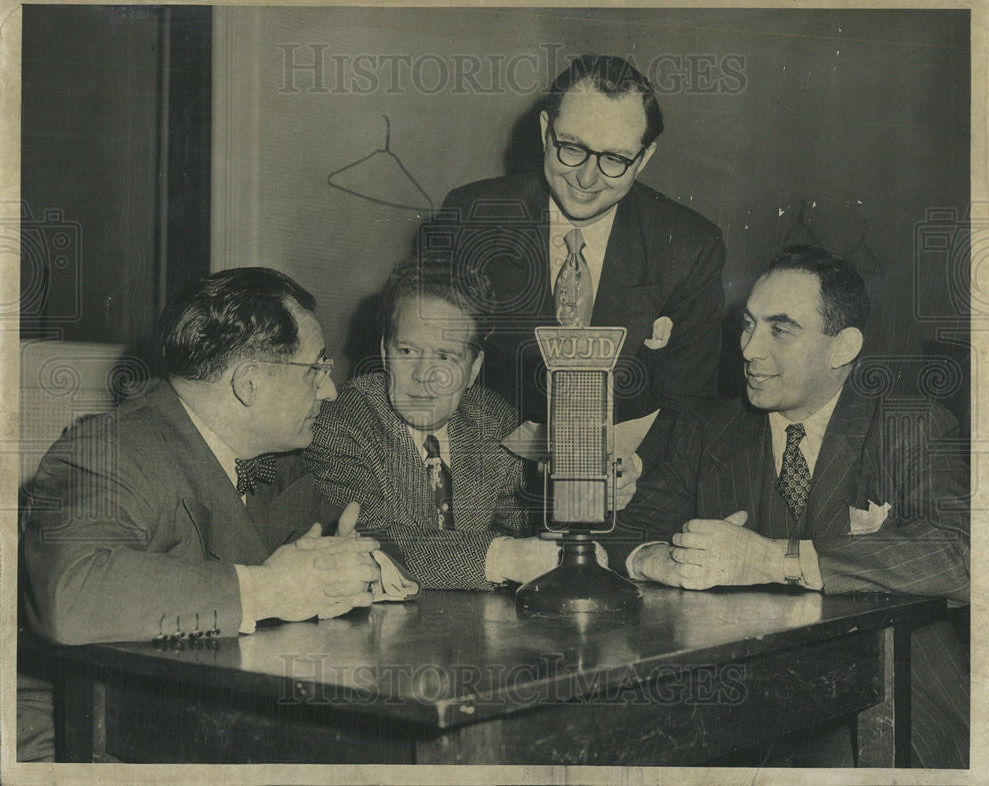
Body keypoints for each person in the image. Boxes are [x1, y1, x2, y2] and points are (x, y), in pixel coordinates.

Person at [609, 246, 969, 768]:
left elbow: (969, 553)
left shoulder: (909, 426)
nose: (751, 349)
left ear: (842, 347)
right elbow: (620, 530)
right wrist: (654, 558)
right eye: (748, 325)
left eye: (781, 330)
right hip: (744, 704)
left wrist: (777, 559)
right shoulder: (709, 430)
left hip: (892, 704)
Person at [21, 267, 381, 646]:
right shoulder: (109, 450)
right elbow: (70, 596)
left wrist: (359, 564)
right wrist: (272, 588)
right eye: (315, 370)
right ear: (249, 383)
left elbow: (363, 531)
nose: (330, 392)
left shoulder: (281, 457)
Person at [436, 53, 726, 476]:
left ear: (643, 159)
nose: (587, 179)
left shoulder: (690, 245)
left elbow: (691, 405)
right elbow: (436, 365)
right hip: (486, 465)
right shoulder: (471, 217)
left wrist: (631, 467)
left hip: (630, 476)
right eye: (572, 148)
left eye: (614, 159)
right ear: (544, 132)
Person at [304, 258, 560, 590]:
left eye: (445, 357)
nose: (424, 375)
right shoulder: (343, 421)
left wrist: (580, 491)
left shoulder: (494, 422)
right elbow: (371, 539)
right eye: (408, 351)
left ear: (473, 369)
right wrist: (503, 558)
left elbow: (525, 521)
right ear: (384, 352)